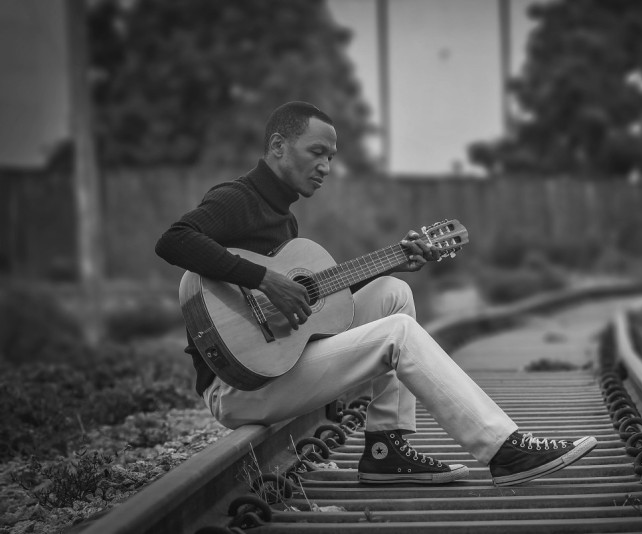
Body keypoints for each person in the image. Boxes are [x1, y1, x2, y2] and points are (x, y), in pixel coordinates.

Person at [155, 101, 597, 486]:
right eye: (317, 152)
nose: (326, 167)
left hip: (271, 367)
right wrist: (265, 279)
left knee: (393, 293)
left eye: (331, 156)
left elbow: (316, 309)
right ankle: (504, 449)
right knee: (398, 332)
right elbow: (174, 240)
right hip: (236, 387)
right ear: (277, 147)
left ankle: (386, 449)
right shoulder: (237, 198)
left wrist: (391, 261)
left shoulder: (284, 221)